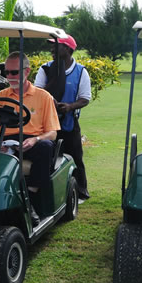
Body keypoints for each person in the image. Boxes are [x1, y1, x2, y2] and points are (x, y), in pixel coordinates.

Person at [0, 51, 60, 200]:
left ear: (27, 71)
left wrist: (35, 140)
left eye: (14, 72)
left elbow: (52, 133)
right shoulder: (0, 96)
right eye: (7, 73)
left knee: (46, 147)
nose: (10, 77)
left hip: (30, 143)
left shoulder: (43, 97)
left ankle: (31, 197)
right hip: (4, 142)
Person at [34, 34, 92, 201]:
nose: (51, 49)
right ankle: (49, 192)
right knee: (48, 157)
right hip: (45, 122)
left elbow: (84, 98)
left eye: (56, 45)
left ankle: (80, 190)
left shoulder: (81, 72)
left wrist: (69, 106)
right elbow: (38, 92)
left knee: (75, 156)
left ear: (67, 49)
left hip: (69, 121)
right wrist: (52, 101)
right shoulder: (45, 68)